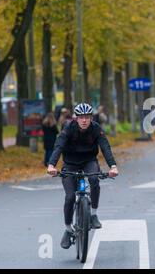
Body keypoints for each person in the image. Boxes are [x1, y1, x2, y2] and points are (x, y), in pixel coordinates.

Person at [47, 103, 119, 249]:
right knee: (70, 197)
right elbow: (59, 146)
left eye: (87, 117)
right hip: (70, 164)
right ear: (76, 118)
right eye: (81, 117)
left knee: (94, 179)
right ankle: (68, 229)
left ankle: (93, 215)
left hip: (89, 161)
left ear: (91, 118)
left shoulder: (96, 128)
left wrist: (113, 166)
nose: (84, 120)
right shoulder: (68, 128)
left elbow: (105, 146)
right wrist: (51, 165)